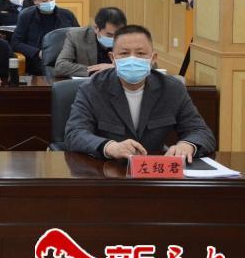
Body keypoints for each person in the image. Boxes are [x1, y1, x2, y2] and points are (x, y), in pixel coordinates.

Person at [64, 25, 216, 161]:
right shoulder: (92, 88)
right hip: (108, 168)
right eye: (124, 53)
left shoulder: (172, 89)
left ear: (153, 58)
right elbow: (74, 133)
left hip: (154, 169)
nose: (132, 59)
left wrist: (187, 145)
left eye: (140, 53)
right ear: (112, 58)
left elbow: (201, 131)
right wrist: (109, 147)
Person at [12, 0, 80, 75]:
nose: (49, 2)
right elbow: (16, 43)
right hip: (37, 63)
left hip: (64, 61)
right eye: (44, 0)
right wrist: (38, 53)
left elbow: (79, 39)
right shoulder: (26, 16)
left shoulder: (67, 15)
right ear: (35, 1)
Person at [54, 7, 127, 78]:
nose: (114, 39)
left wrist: (113, 68)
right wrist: (95, 70)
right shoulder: (76, 37)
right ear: (96, 28)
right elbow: (60, 67)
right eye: (110, 35)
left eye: (118, 34)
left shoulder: (129, 39)